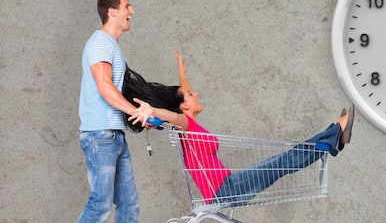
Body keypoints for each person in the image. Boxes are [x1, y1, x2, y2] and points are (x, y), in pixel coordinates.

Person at [124, 50, 354, 206]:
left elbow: (184, 93)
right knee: (284, 161)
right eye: (192, 95)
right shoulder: (185, 125)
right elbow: (173, 115)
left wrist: (181, 68)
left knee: (284, 161)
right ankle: (334, 134)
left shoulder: (190, 122)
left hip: (226, 187)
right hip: (225, 190)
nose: (196, 93)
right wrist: (153, 112)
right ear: (185, 106)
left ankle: (333, 135)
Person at [55, 0, 149, 223]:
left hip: (113, 135)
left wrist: (139, 115)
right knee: (100, 203)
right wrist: (136, 112)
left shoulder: (111, 46)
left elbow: (116, 93)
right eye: (127, 6)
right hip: (100, 136)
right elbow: (105, 88)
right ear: (112, 12)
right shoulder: (99, 43)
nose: (132, 11)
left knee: (129, 203)